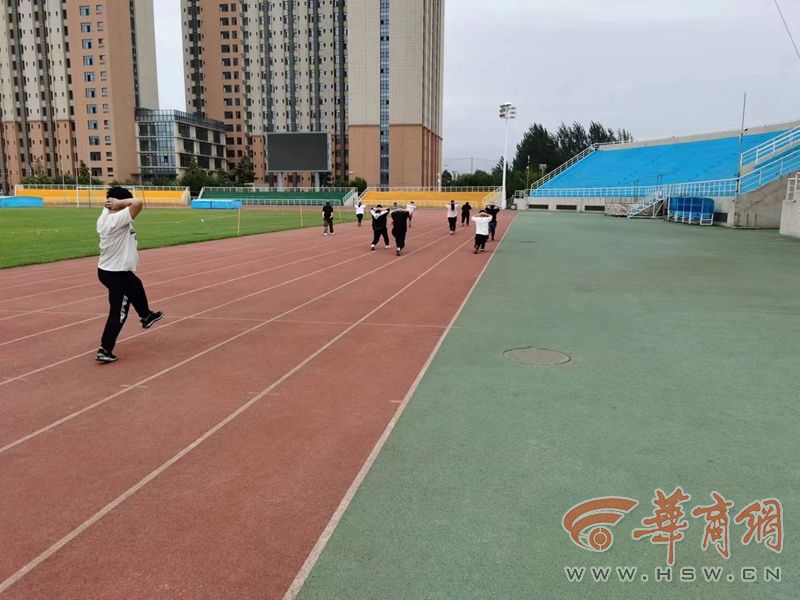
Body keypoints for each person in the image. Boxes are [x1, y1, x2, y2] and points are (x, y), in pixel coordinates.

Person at [95, 187, 163, 363]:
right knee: (119, 311)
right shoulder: (116, 219)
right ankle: (105, 349)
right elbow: (138, 203)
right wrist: (120, 203)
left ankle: (146, 315)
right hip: (116, 273)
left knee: (136, 284)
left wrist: (114, 202)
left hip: (111, 270)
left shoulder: (106, 216)